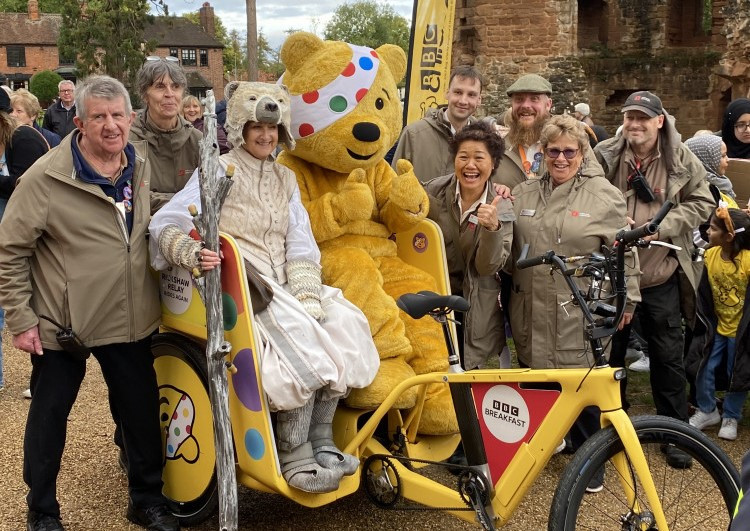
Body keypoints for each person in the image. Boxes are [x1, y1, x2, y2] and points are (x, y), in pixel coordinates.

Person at [149, 81, 379, 493]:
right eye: (256, 127)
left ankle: (322, 438)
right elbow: (165, 223)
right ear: (240, 128)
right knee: (304, 341)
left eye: (272, 130)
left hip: (288, 283)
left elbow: (300, 239)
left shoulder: (285, 178)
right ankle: (293, 452)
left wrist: (308, 293)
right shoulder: (217, 169)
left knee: (344, 322)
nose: (265, 136)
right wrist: (190, 251)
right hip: (247, 286)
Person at [0, 75, 178, 531]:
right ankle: (42, 510)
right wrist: (21, 319)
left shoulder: (136, 164)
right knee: (49, 418)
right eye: (98, 117)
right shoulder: (45, 177)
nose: (110, 125)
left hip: (130, 317)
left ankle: (146, 499)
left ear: (130, 118)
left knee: (139, 412)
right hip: (66, 323)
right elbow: (11, 249)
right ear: (78, 122)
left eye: (118, 115)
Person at [508, 114, 638, 492]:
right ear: (543, 153)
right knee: (537, 377)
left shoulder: (603, 196)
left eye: (569, 151)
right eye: (553, 152)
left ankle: (590, 460)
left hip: (579, 306)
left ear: (582, 153)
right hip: (532, 304)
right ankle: (549, 443)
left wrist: (628, 300)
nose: (561, 159)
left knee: (583, 384)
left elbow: (622, 253)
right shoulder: (525, 192)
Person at [595, 90, 714, 468]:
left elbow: (703, 201)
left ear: (659, 120)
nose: (635, 124)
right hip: (613, 277)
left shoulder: (681, 158)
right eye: (630, 117)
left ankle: (675, 433)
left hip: (660, 272)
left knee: (667, 357)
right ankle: (611, 430)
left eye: (643, 118)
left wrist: (663, 225)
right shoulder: (607, 154)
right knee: (611, 355)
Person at [423, 121, 514, 370]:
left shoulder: (502, 206)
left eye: (479, 158)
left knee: (468, 376)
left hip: (476, 311)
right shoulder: (433, 191)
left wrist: (492, 230)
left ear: (493, 163)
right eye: (463, 156)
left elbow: (488, 267)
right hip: (435, 301)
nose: (470, 165)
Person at [0, 88, 49, 394]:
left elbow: (25, 187)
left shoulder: (24, 140)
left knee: (33, 307)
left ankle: (42, 380)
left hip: (28, 237)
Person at [688, 206, 750, 441]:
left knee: (737, 372)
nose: (707, 232)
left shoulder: (747, 261)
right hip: (716, 327)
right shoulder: (710, 256)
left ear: (729, 237)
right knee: (703, 367)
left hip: (741, 331)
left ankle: (731, 415)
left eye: (713, 228)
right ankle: (707, 409)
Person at [495, 74, 603, 188]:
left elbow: (597, 184)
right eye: (519, 99)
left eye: (534, 99)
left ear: (548, 104)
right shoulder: (496, 147)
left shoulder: (573, 139)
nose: (526, 105)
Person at [129, 56, 201, 213]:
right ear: (144, 94)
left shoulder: (197, 140)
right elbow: (129, 194)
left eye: (175, 87)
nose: (169, 94)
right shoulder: (128, 141)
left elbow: (208, 193)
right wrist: (182, 203)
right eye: (160, 87)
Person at [392, 65, 483, 183]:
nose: (463, 101)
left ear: (479, 100)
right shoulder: (414, 135)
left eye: (471, 95)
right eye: (458, 92)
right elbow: (393, 183)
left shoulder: (484, 140)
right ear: (447, 93)